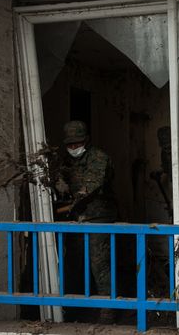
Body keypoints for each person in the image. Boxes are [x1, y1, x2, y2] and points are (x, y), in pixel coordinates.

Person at [57, 120, 118, 324]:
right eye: (70, 144)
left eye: (77, 143)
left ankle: (107, 310)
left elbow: (92, 184)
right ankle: (75, 306)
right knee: (74, 261)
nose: (74, 147)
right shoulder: (65, 160)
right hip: (76, 217)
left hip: (99, 217)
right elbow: (59, 179)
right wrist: (59, 184)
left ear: (87, 140)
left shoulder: (99, 157)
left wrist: (75, 199)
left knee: (99, 263)